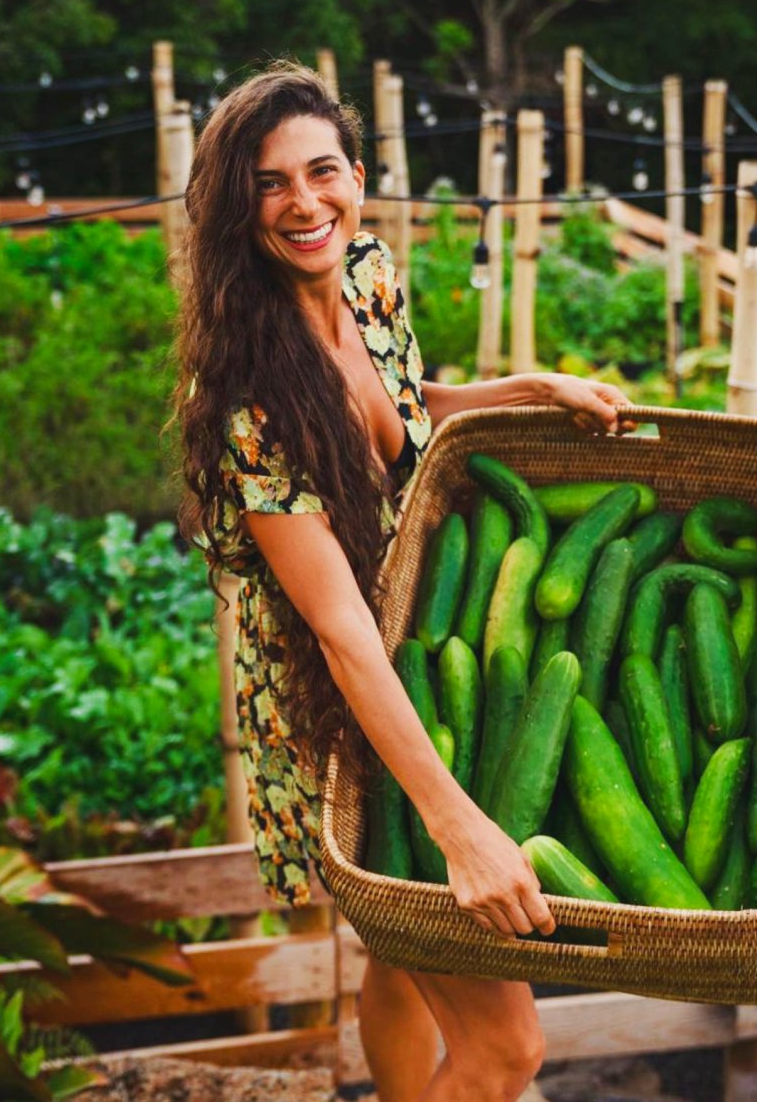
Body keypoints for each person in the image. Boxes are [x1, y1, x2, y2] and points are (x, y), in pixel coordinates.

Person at [171, 62, 632, 1102]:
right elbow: (336, 629)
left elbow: (399, 407)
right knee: (509, 1050)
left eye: (319, 171)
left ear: (356, 176)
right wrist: (457, 823)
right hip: (340, 712)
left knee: (393, 952)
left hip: (409, 642)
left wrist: (524, 387)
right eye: (268, 185)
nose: (302, 202)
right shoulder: (245, 397)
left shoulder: (367, 273)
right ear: (235, 211)